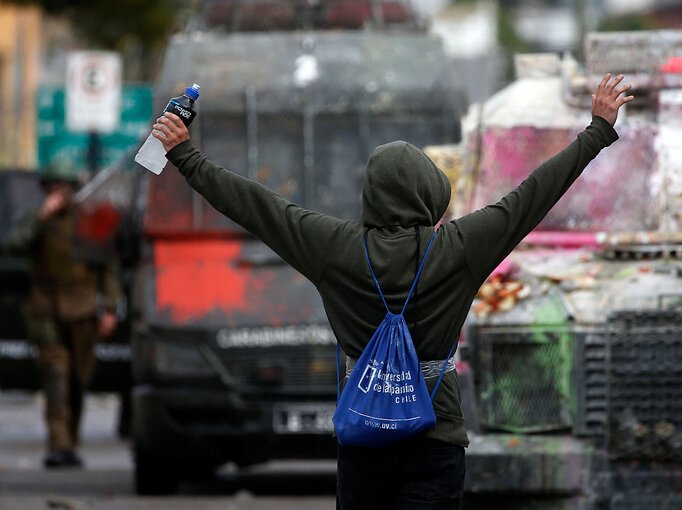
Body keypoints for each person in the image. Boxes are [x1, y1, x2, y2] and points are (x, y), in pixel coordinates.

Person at [151, 73, 633, 508]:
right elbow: (531, 196)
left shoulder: (333, 247)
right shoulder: (460, 248)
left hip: (363, 443)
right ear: (428, 194)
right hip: (436, 439)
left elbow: (256, 206)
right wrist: (597, 131)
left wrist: (185, 155)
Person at [1, 159, 120, 468]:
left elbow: (107, 267)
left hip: (81, 307)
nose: (57, 193)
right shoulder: (35, 218)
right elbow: (12, 246)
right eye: (51, 187)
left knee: (79, 378)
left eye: (62, 187)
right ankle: (59, 444)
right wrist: (40, 219)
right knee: (56, 375)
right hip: (44, 307)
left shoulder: (89, 220)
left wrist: (109, 308)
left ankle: (71, 438)